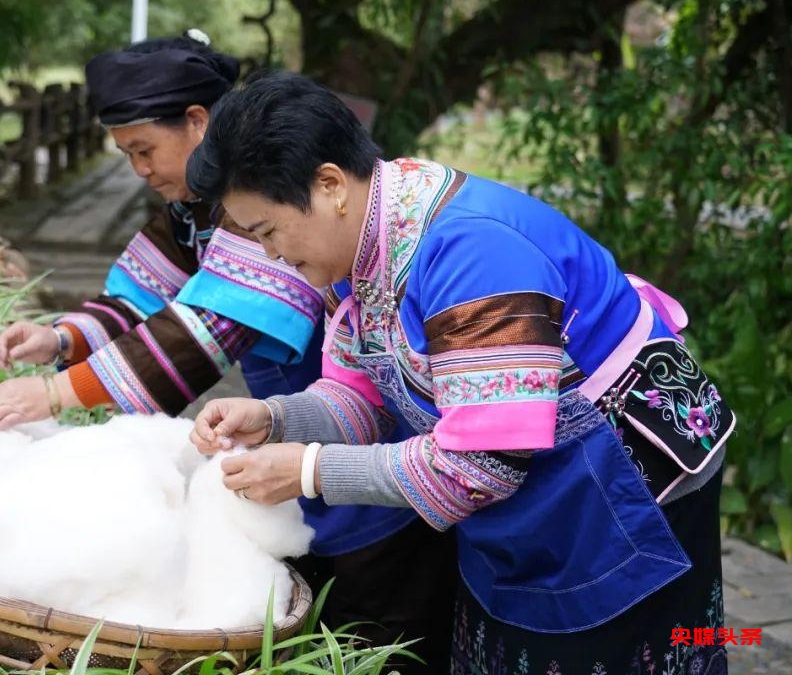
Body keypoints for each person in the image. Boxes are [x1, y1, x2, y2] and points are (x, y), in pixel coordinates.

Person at [186, 71, 734, 675]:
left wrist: (309, 471)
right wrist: (275, 418)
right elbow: (363, 396)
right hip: (530, 493)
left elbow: (481, 466)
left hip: (620, 491)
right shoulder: (361, 242)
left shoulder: (472, 252)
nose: (270, 255)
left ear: (329, 185)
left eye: (267, 231)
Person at [0, 35, 458, 667]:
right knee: (316, 609)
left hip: (375, 454)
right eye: (127, 156)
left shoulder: (274, 203)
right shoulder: (192, 211)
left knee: (381, 627)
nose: (139, 170)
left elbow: (205, 331)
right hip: (295, 439)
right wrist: (62, 339)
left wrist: (55, 392)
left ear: (197, 123)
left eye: (145, 150)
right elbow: (144, 298)